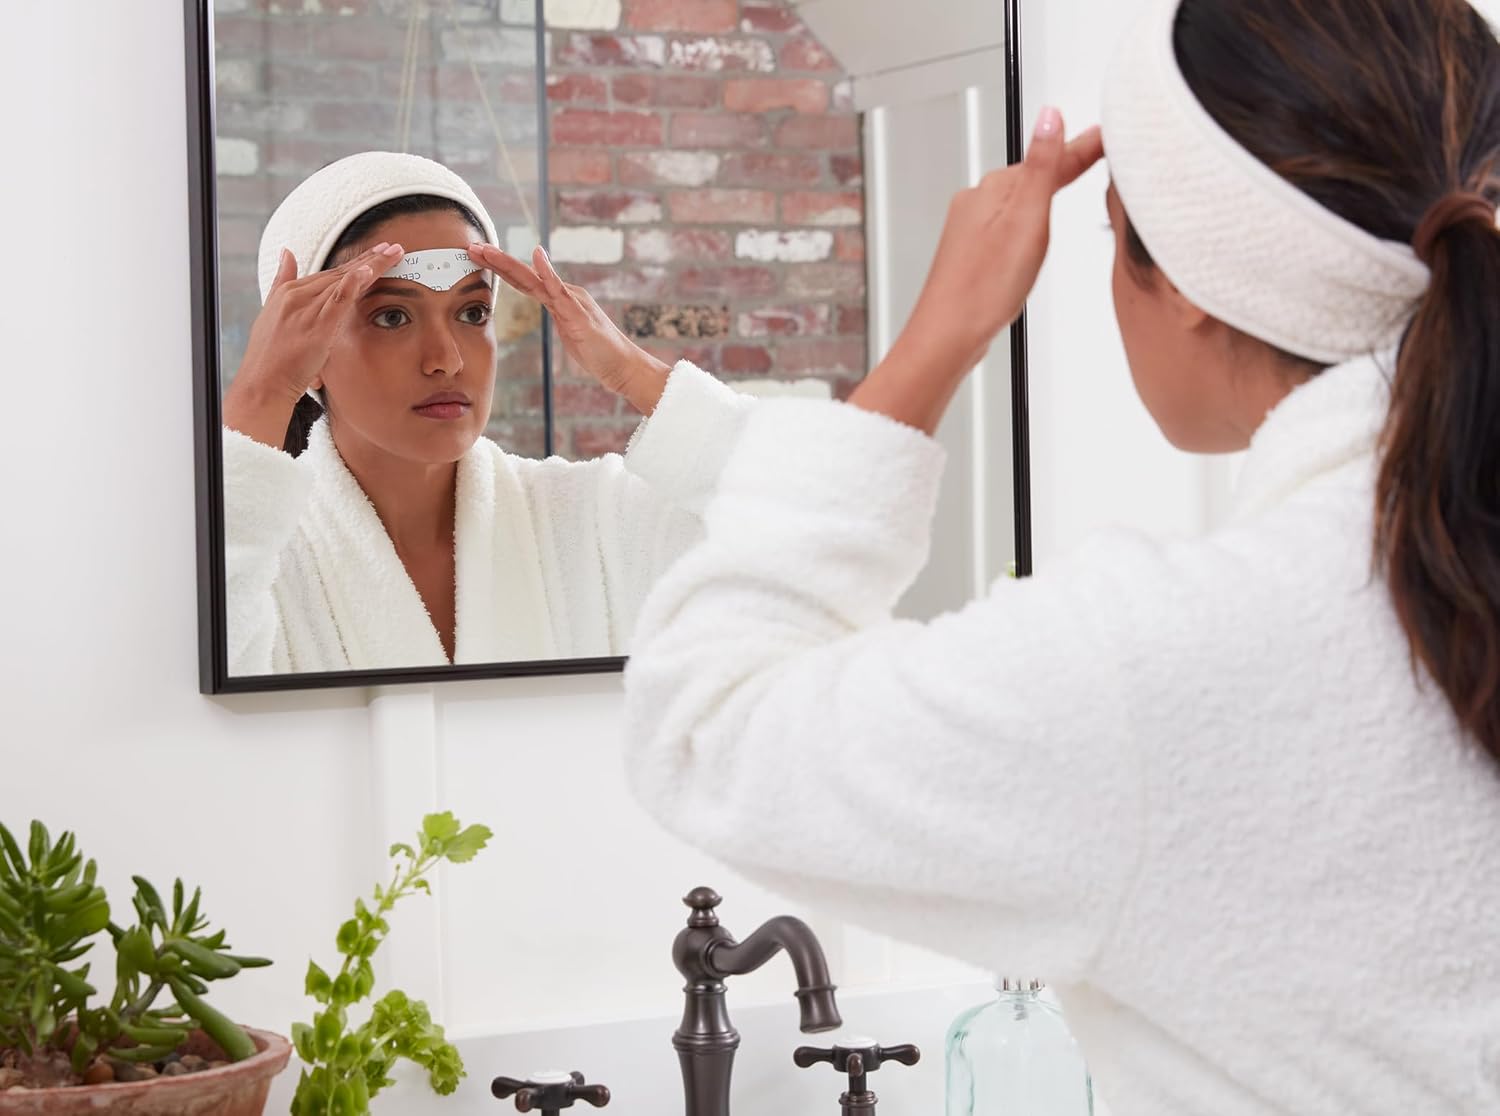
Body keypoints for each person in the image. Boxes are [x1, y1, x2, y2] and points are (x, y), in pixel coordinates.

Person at [617, 1, 1500, 1112]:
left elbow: (704, 727)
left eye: (1113, 228)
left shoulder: (1163, 668)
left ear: (1181, 278)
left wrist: (939, 334)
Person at [221, 151, 751, 674]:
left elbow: (810, 525)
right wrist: (260, 393)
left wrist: (631, 371)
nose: (446, 360)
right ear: (305, 353)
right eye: (391, 317)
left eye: (473, 313)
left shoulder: (591, 521)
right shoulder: (257, 557)